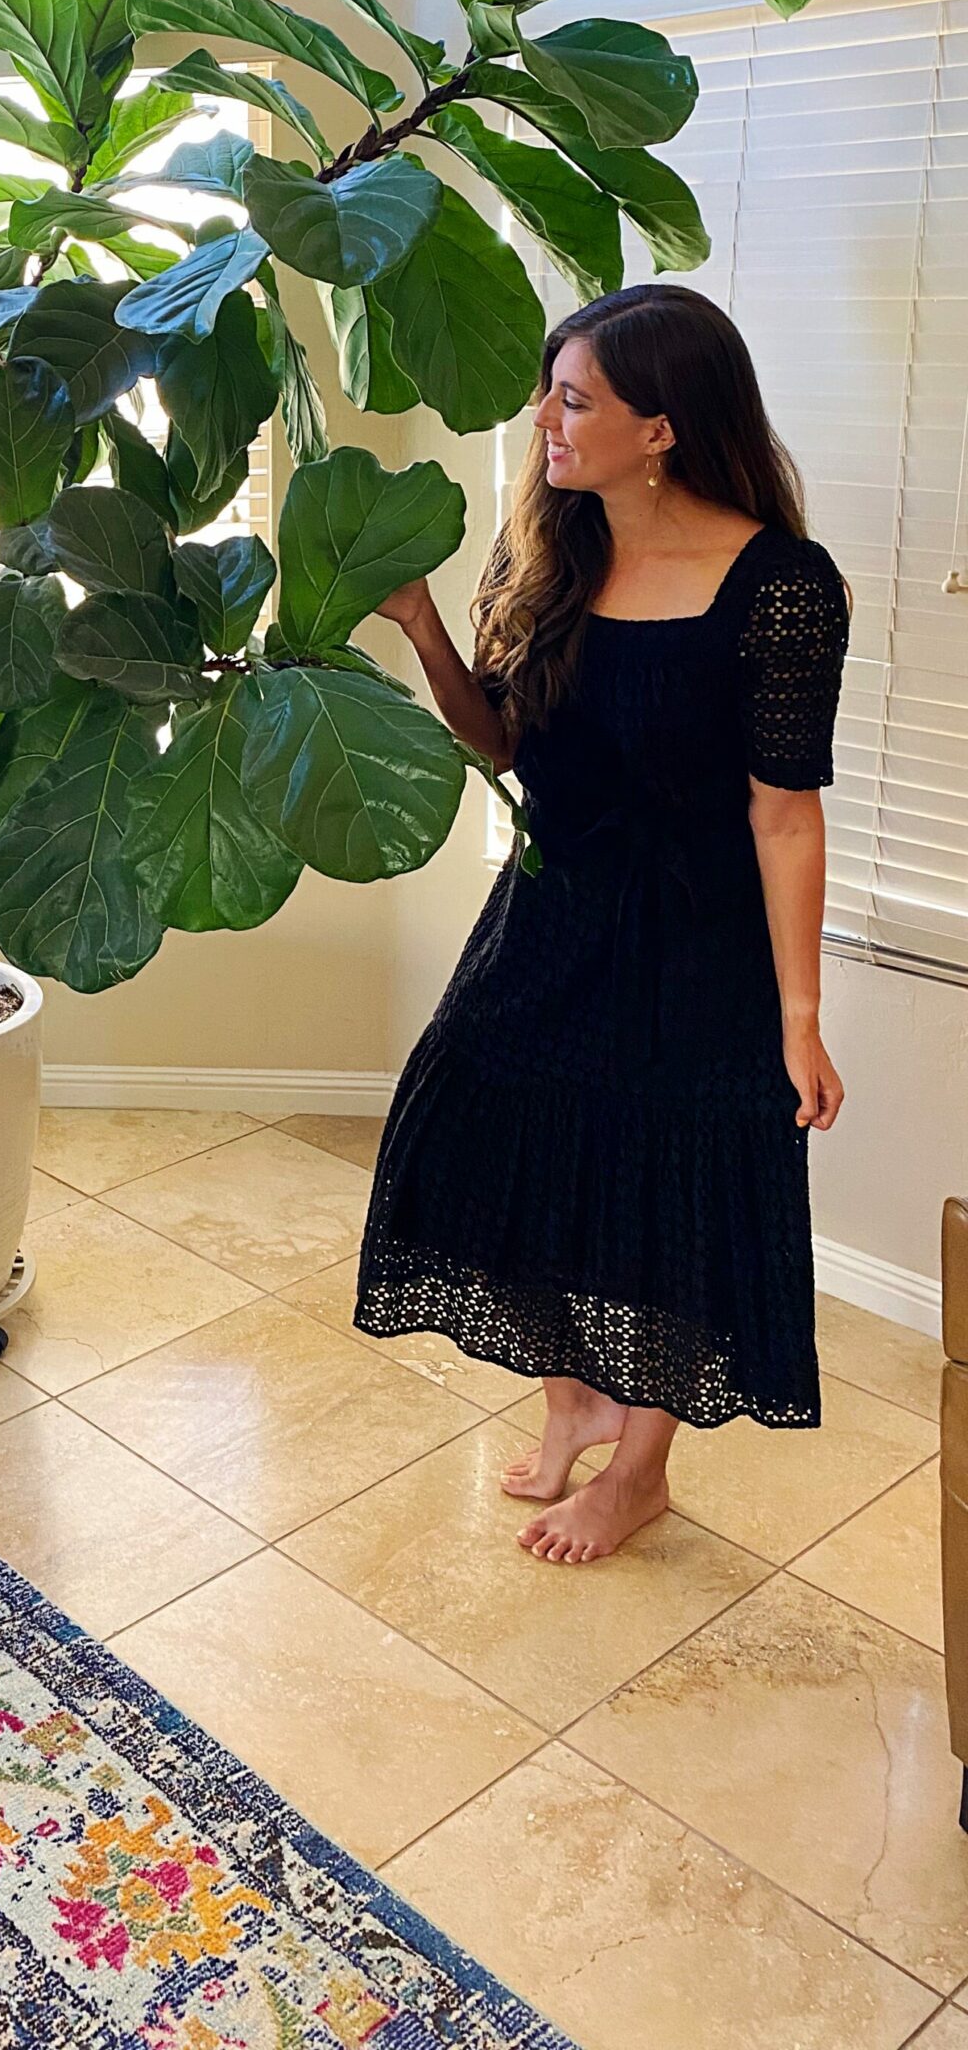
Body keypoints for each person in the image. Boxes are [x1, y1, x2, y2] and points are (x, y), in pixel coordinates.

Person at [360, 284, 850, 1563]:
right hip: (550, 905)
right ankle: (572, 1391)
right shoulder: (548, 553)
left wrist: (801, 1020)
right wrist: (423, 630)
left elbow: (784, 812)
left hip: (699, 945)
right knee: (475, 1118)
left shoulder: (781, 585)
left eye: (573, 398)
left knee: (665, 1190)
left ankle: (641, 1470)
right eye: (549, 389)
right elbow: (510, 743)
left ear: (663, 428)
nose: (545, 419)